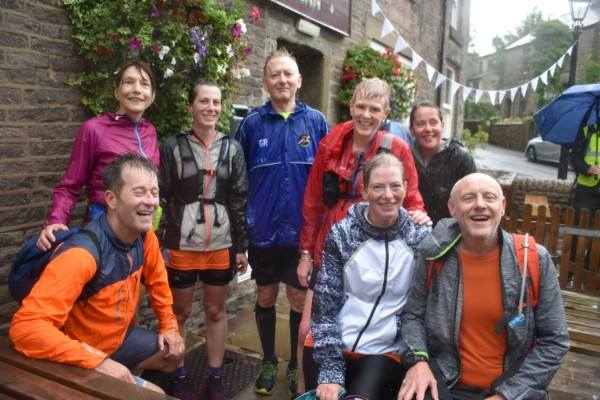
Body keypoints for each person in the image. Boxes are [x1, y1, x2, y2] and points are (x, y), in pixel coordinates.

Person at [10, 154, 185, 395]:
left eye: (154, 192)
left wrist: (170, 327)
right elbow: (26, 328)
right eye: (139, 192)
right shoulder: (81, 255)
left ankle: (125, 383)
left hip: (117, 340)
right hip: (79, 350)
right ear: (111, 199)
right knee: (155, 395)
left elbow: (158, 283)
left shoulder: (145, 236)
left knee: (174, 354)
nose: (151, 201)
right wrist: (98, 362)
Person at [297, 78, 429, 392]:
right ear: (351, 107)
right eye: (360, 106)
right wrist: (305, 252)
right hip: (333, 243)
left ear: (385, 114)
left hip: (377, 246)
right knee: (307, 330)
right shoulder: (332, 141)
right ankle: (304, 391)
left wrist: (420, 217)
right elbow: (313, 198)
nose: (366, 115)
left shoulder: (396, 148)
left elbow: (408, 195)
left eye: (374, 109)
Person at [398, 173, 569, 400]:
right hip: (446, 379)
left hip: (512, 384)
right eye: (468, 198)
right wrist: (417, 361)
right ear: (453, 208)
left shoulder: (533, 260)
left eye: (489, 197)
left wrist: (507, 395)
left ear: (502, 206)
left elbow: (555, 341)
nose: (480, 205)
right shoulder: (433, 254)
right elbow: (413, 315)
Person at [235, 48, 329, 397]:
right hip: (263, 231)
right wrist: (240, 235)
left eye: (288, 74)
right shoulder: (251, 125)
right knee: (265, 294)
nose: (282, 80)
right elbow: (238, 181)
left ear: (299, 80)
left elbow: (327, 180)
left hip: (302, 234)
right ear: (265, 82)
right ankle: (269, 361)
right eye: (275, 74)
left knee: (298, 299)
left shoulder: (316, 123)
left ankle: (293, 365)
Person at [312, 153, 431, 400]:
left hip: (384, 351)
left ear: (406, 188)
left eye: (395, 186)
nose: (388, 195)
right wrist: (331, 371)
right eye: (378, 187)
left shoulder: (419, 238)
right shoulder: (342, 234)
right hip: (333, 343)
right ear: (365, 191)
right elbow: (325, 305)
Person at [159, 79, 249, 400]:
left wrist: (241, 246)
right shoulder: (171, 147)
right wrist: (159, 243)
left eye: (216, 102)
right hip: (181, 245)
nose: (211, 108)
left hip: (221, 245)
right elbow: (161, 196)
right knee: (179, 314)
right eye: (204, 102)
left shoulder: (232, 148)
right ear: (191, 106)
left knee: (215, 311)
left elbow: (239, 198)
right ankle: (178, 372)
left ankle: (214, 375)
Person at [37, 60, 159, 251]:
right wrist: (56, 221)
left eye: (144, 84)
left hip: (141, 231)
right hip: (104, 227)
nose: (137, 89)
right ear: (116, 92)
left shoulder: (150, 131)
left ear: (152, 96)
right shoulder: (94, 129)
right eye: (129, 82)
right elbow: (70, 185)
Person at [409, 102, 476, 225]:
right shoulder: (407, 157)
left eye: (433, 122)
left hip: (454, 230)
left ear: (442, 125)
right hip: (419, 229)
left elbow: (472, 198)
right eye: (421, 124)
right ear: (412, 130)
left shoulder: (460, 156)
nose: (428, 129)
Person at [570, 123, 600, 214]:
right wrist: (587, 168)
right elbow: (573, 157)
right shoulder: (586, 132)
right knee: (581, 224)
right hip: (586, 190)